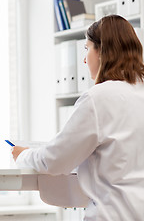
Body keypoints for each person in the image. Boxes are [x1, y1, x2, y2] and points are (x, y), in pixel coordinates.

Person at [12, 15, 144, 220]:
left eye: (87, 48)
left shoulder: (98, 98)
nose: (84, 59)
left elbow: (55, 160)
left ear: (102, 52)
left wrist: (23, 155)